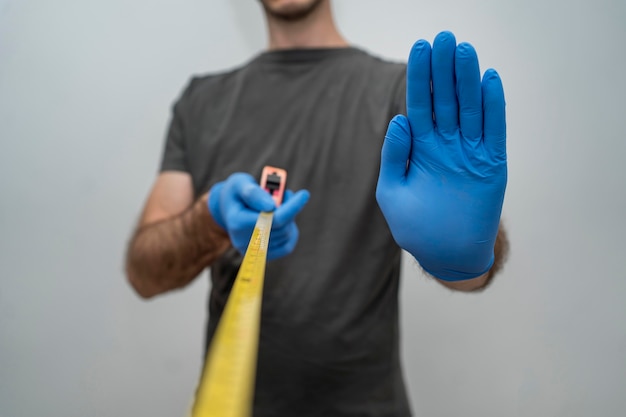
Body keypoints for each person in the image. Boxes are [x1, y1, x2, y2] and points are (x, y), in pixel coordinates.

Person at [125, 0, 509, 415]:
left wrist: (463, 256)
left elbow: (475, 274)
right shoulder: (201, 102)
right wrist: (209, 219)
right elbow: (145, 274)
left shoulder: (402, 95)